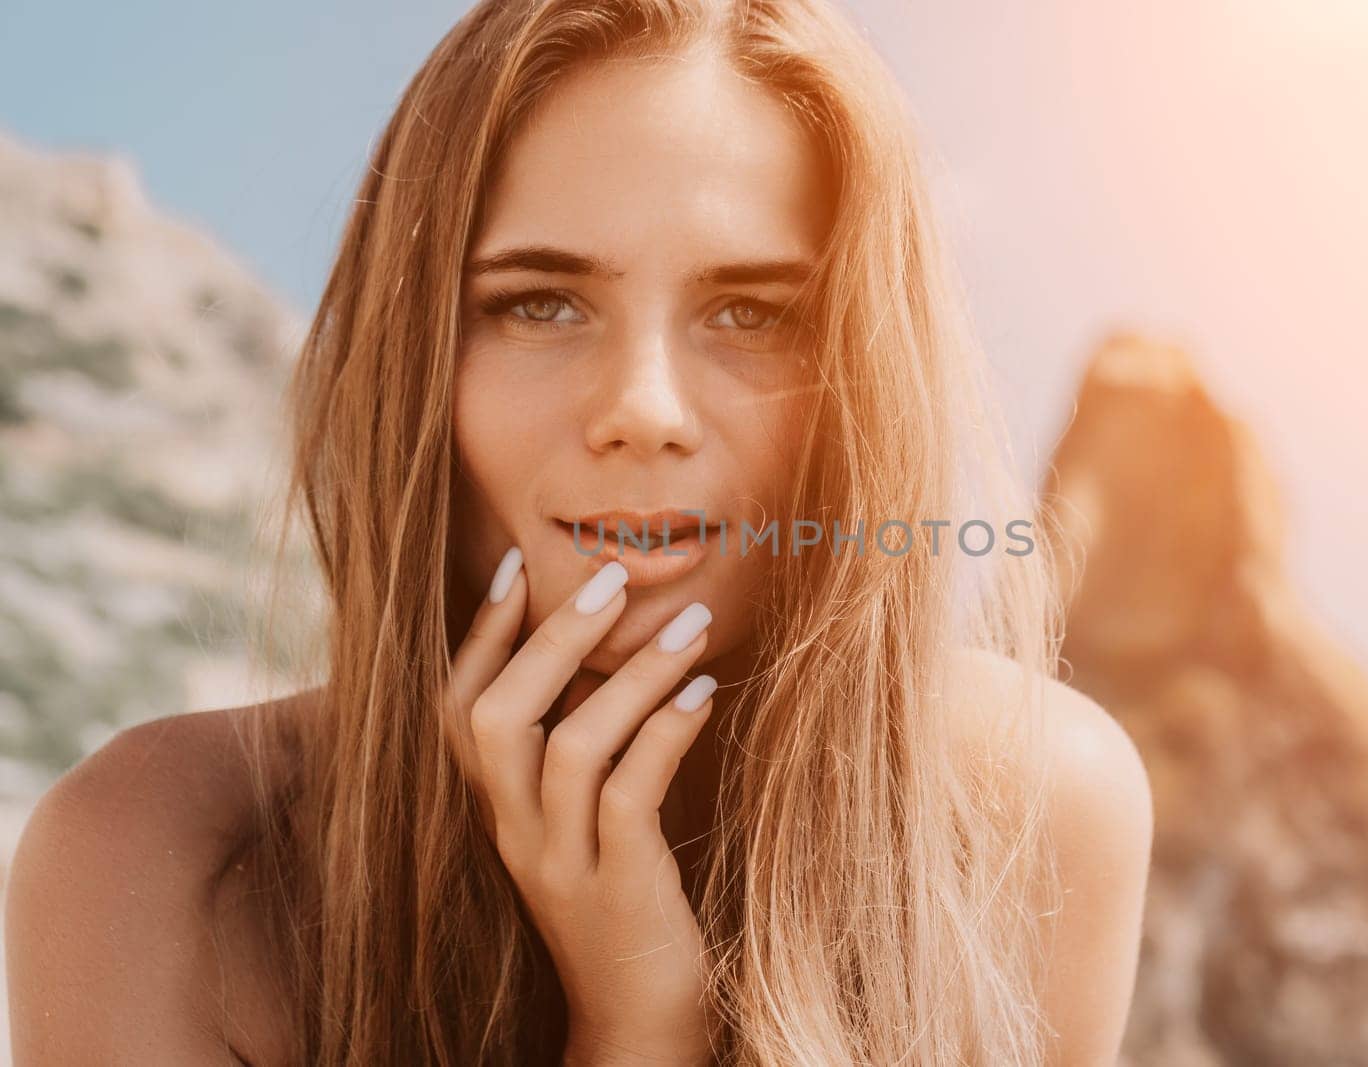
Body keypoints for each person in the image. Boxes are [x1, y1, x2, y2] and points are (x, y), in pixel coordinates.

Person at [3, 0, 1153, 1063]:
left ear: (861, 383)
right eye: (538, 303)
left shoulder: (1034, 811)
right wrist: (636, 1028)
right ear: (416, 367)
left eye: (751, 312)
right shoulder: (164, 863)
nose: (642, 408)